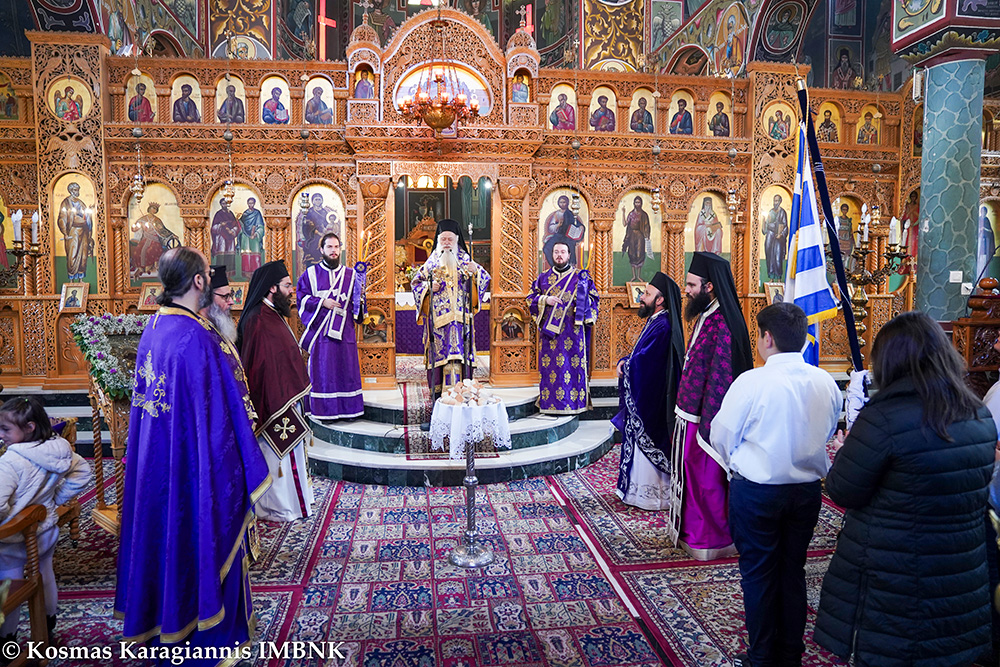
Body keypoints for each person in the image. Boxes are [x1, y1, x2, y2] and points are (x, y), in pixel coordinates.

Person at [814, 311, 996, 667]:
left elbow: (843, 490)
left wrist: (843, 453)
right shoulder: (977, 413)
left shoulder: (884, 417)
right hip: (960, 574)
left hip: (895, 580)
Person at [116, 247, 271, 660]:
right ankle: (210, 636)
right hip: (198, 465)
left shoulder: (154, 327)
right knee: (204, 528)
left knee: (169, 533)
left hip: (160, 461)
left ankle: (165, 625)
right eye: (206, 273)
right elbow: (229, 416)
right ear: (200, 282)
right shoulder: (200, 339)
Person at [710, 303, 842, 667]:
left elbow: (721, 436)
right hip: (806, 492)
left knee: (758, 574)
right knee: (792, 570)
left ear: (766, 338)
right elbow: (829, 430)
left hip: (757, 492)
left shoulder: (751, 382)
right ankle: (790, 654)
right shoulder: (825, 382)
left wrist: (741, 463)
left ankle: (762, 657)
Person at [669, 251, 753, 560]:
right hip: (689, 413)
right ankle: (690, 534)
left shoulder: (724, 323)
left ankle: (710, 540)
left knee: (707, 482)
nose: (687, 290)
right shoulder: (706, 314)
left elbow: (721, 376)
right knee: (691, 479)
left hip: (706, 418)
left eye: (692, 285)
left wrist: (709, 425)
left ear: (710, 287)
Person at [0, 397, 89, 643]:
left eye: (6, 429)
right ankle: (48, 625)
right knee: (45, 573)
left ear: (29, 427)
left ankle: (6, 638)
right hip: (46, 529)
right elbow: (83, 471)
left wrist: (8, 520)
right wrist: (56, 499)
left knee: (9, 584)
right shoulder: (59, 448)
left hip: (12, 539)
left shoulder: (10, 462)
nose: (1, 435)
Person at [238, 260, 314, 522]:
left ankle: (295, 502)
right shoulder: (258, 320)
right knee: (278, 458)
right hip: (273, 404)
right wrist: (279, 398)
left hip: (285, 398)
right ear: (271, 288)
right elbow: (258, 368)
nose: (291, 290)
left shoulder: (271, 314)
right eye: (286, 285)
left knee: (291, 455)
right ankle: (279, 508)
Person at [613, 272, 684, 510]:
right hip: (647, 392)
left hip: (652, 396)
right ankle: (637, 492)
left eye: (647, 294)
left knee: (649, 441)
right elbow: (640, 355)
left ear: (660, 300)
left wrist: (628, 365)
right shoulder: (655, 321)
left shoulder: (663, 326)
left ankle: (652, 496)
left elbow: (649, 362)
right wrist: (627, 360)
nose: (642, 298)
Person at [410, 219, 491, 397]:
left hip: (463, 321)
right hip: (439, 322)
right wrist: (429, 288)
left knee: (463, 357)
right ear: (438, 240)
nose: (446, 243)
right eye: (443, 239)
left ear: (456, 240)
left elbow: (485, 278)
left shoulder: (466, 260)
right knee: (439, 356)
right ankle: (438, 395)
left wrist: (475, 272)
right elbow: (415, 282)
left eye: (450, 239)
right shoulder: (432, 261)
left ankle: (465, 391)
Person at [297, 233, 366, 421]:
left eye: (336, 247)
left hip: (345, 332)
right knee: (325, 370)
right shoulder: (310, 274)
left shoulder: (352, 275)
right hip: (322, 334)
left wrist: (361, 298)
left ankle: (349, 410)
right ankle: (326, 411)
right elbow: (301, 299)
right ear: (322, 250)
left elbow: (356, 308)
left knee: (347, 368)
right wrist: (322, 302)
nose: (334, 251)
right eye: (330, 247)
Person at [526, 240, 598, 415]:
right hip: (551, 334)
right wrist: (545, 300)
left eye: (563, 252)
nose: (559, 255)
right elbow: (530, 299)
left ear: (569, 255)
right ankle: (550, 404)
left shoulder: (582, 277)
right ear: (552, 255)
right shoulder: (542, 278)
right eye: (556, 252)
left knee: (573, 367)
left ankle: (575, 404)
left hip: (574, 332)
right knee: (553, 369)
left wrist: (583, 301)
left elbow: (594, 299)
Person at [130, 201, 179, 279]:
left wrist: (172, 235)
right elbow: (135, 228)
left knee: (151, 250)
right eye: (153, 208)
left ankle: (149, 268)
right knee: (138, 251)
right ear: (149, 208)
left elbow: (163, 230)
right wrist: (136, 227)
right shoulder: (143, 219)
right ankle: (141, 269)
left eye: (156, 209)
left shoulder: (157, 220)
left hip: (155, 240)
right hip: (145, 238)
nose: (154, 210)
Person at [57, 181, 94, 281]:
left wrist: (88, 215)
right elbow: (62, 218)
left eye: (78, 190)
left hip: (84, 231)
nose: (77, 192)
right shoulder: (66, 203)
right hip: (73, 231)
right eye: (74, 190)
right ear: (70, 191)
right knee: (72, 254)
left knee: (83, 255)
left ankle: (81, 279)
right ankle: (71, 279)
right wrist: (65, 232)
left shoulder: (81, 203)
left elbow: (87, 217)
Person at [296, 192, 339, 272]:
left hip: (325, 236)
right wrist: (317, 232)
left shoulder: (325, 212)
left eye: (319, 200)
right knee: (312, 247)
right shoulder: (309, 212)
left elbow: (328, 223)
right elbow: (306, 226)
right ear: (312, 201)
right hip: (312, 237)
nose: (318, 201)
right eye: (316, 200)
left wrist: (326, 231)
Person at [542, 195, 585, 268]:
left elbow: (576, 224)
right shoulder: (556, 214)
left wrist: (581, 227)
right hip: (558, 235)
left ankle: (569, 267)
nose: (562, 204)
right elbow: (550, 228)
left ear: (567, 203)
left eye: (564, 202)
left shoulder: (571, 214)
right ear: (558, 203)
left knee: (570, 248)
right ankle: (554, 266)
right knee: (546, 248)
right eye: (561, 202)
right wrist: (558, 225)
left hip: (568, 236)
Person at [202, 264, 238, 343]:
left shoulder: (217, 328)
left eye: (231, 295)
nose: (231, 301)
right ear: (208, 297)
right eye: (226, 296)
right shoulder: (199, 331)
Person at [622, 195, 651, 281]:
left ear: (641, 203)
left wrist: (647, 235)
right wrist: (623, 212)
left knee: (639, 254)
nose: (637, 204)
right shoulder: (631, 214)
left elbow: (647, 226)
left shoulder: (644, 214)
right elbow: (625, 224)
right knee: (632, 254)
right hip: (631, 235)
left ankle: (639, 276)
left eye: (639, 202)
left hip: (640, 236)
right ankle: (634, 276)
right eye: (636, 202)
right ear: (634, 203)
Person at [211, 197, 241, 274]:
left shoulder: (230, 213)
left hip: (230, 238)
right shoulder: (218, 214)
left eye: (226, 203)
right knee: (222, 253)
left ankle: (230, 272)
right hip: (221, 237)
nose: (224, 205)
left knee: (230, 254)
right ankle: (221, 273)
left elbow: (235, 225)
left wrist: (232, 231)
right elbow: (213, 228)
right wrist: (220, 225)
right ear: (220, 204)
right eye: (223, 203)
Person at [763, 194, 788, 280]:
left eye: (777, 201)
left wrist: (781, 234)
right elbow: (765, 227)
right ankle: (771, 278)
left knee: (778, 257)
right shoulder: (770, 212)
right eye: (774, 201)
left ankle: (779, 278)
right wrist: (763, 221)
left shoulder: (782, 212)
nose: (775, 203)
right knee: (770, 257)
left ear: (780, 202)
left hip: (778, 238)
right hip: (770, 236)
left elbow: (785, 226)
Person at [240, 197, 265, 275]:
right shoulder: (245, 214)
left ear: (254, 203)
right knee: (246, 254)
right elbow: (241, 225)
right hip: (245, 237)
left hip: (255, 238)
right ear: (247, 203)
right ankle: (246, 272)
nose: (251, 205)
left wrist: (256, 233)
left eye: (252, 203)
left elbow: (261, 225)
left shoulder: (257, 213)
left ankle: (256, 273)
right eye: (249, 203)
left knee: (255, 254)